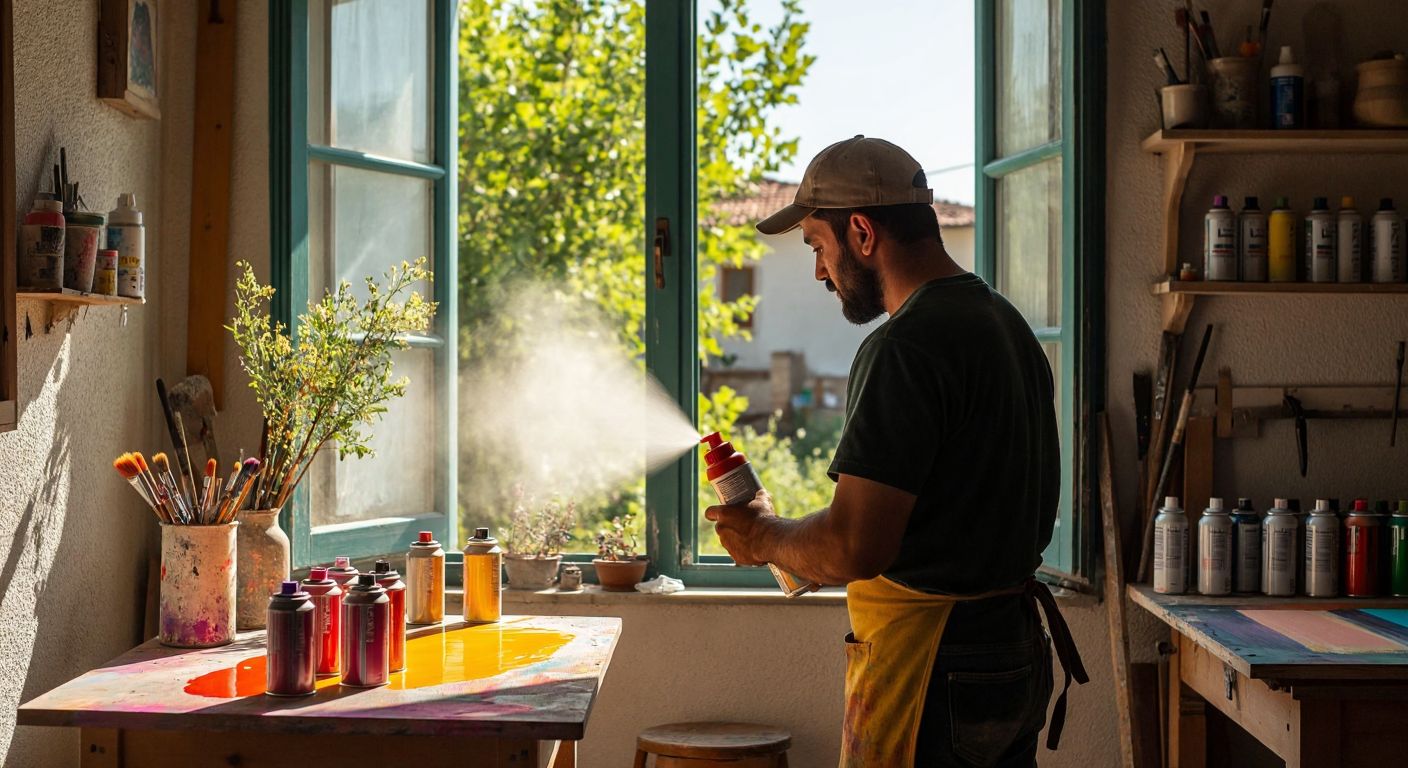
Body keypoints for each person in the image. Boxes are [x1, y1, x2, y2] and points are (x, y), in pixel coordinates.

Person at [706, 136, 1087, 768]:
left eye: (817, 248)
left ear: (861, 232)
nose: (819, 273)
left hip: (935, 667)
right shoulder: (1005, 324)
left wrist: (764, 536)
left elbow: (857, 546)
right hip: (1012, 652)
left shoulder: (904, 347)